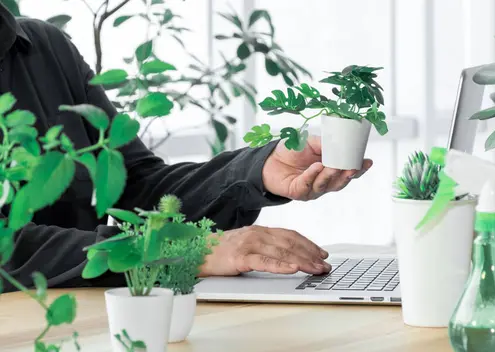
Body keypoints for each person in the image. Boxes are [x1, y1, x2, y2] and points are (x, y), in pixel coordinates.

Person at [0, 6, 372, 291]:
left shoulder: (45, 48)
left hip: (97, 326)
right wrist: (190, 250)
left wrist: (256, 170)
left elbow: (139, 187)